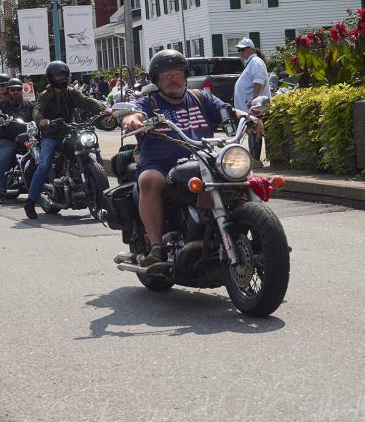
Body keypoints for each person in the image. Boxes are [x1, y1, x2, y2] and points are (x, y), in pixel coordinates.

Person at [121, 50, 263, 265]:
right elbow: (135, 114)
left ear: (185, 75)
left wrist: (246, 117)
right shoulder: (149, 103)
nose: (172, 80)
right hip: (161, 164)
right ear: (156, 80)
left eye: (177, 74)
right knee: (149, 181)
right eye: (165, 76)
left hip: (202, 158)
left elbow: (226, 110)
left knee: (242, 175)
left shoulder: (200, 97)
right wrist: (131, 120)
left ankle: (263, 235)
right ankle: (157, 246)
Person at [24, 61, 110, 219]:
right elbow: (37, 110)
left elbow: (86, 101)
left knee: (86, 153)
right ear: (52, 77)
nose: (62, 78)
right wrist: (41, 120)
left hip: (69, 132)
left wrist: (103, 109)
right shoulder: (46, 94)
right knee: (43, 166)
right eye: (59, 75)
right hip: (50, 135)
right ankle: (30, 202)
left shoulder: (71, 93)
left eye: (64, 74)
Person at [0, 78, 34, 201]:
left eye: (18, 90)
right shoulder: (1, 106)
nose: (16, 92)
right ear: (8, 91)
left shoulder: (29, 105)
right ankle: (0, 190)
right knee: (3, 159)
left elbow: (38, 117)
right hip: (9, 140)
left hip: (27, 139)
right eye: (13, 90)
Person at [233, 37, 269, 163]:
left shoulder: (256, 62)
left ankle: (255, 159)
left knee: (255, 130)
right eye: (239, 50)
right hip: (248, 106)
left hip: (254, 106)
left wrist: (254, 101)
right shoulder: (251, 62)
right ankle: (253, 158)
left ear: (250, 49)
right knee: (251, 130)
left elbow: (258, 81)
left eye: (242, 49)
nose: (240, 53)